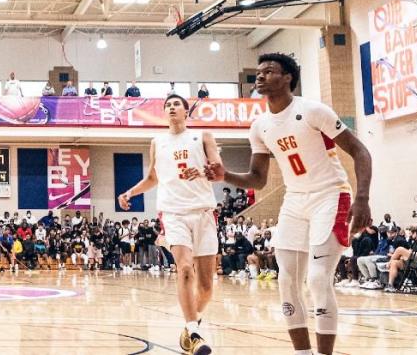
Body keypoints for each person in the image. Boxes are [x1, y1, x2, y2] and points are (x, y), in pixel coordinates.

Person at [208, 53, 372, 355]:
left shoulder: (312, 111)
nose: (260, 77)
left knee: (319, 279)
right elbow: (258, 179)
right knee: (286, 281)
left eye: (269, 71)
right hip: (294, 200)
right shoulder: (259, 126)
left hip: (331, 194)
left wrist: (362, 199)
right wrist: (225, 174)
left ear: (288, 79)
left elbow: (360, 151)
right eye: (258, 72)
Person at [119, 93, 219, 355]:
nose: (172, 107)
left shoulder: (203, 137)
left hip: (204, 211)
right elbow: (153, 177)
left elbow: (218, 170)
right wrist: (130, 192)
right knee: (185, 268)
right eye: (167, 105)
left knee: (207, 286)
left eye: (177, 104)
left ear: (186, 111)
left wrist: (205, 171)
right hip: (173, 212)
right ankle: (194, 331)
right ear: (164, 113)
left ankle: (189, 329)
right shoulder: (158, 142)